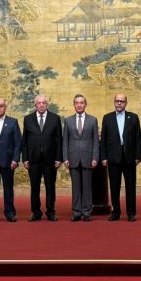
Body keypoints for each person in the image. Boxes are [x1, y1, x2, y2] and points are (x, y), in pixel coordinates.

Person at [101, 93, 141, 221]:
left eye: (122, 101)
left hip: (129, 158)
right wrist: (103, 157)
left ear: (126, 103)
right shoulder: (107, 118)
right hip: (113, 158)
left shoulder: (133, 117)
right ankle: (116, 212)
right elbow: (103, 140)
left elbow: (138, 138)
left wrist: (138, 156)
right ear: (114, 102)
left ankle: (131, 213)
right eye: (117, 101)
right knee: (114, 187)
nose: (119, 103)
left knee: (130, 187)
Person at [22, 94, 63, 222]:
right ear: (35, 105)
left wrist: (59, 158)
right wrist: (25, 159)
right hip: (33, 159)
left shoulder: (55, 118)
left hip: (50, 159)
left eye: (43, 103)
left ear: (47, 104)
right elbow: (25, 141)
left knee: (50, 187)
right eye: (39, 103)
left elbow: (59, 140)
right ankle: (36, 212)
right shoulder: (28, 119)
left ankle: (50, 212)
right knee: (35, 187)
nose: (41, 105)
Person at [62, 94, 99, 222]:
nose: (79, 105)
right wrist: (65, 157)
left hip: (88, 158)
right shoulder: (68, 121)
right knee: (76, 187)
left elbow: (95, 141)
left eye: (81, 102)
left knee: (87, 187)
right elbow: (65, 141)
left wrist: (95, 157)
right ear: (74, 105)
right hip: (72, 158)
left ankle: (87, 212)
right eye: (77, 103)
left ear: (85, 104)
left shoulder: (93, 120)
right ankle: (76, 212)